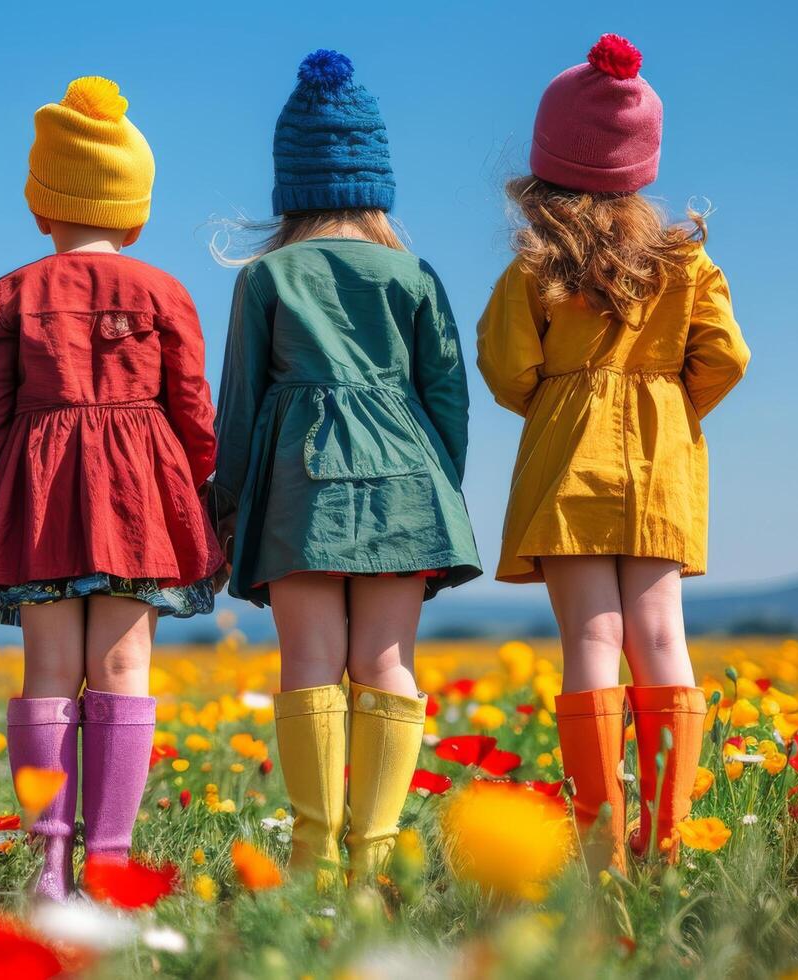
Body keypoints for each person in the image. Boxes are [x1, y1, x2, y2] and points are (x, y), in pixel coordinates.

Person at [476, 34, 750, 872]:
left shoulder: (535, 264)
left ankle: (602, 847)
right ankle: (666, 843)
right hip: (664, 458)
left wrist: (559, 402)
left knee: (591, 638)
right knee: (661, 634)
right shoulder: (686, 259)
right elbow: (728, 357)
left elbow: (504, 364)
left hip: (568, 461)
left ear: (546, 165)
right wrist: (671, 405)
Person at [213, 50, 481, 886]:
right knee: (388, 666)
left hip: (301, 490)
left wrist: (226, 506)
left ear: (289, 187)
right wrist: (443, 494)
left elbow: (241, 404)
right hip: (410, 485)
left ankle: (313, 863)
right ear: (377, 184)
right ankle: (374, 867)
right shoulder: (413, 273)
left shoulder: (266, 276)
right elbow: (449, 403)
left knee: (308, 665)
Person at [0, 76, 221, 900]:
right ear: (135, 213)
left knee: (47, 668)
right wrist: (197, 489)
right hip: (139, 499)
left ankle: (48, 866)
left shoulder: (11, 292)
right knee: (124, 663)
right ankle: (110, 863)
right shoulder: (164, 291)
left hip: (37, 492)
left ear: (43, 208)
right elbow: (192, 411)